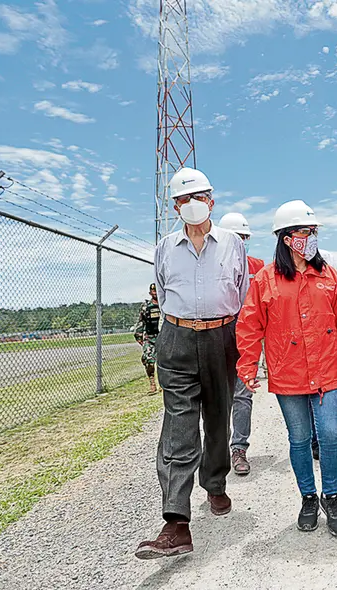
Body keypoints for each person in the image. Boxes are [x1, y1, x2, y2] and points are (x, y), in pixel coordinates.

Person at [136, 167, 248, 560]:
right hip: (178, 338)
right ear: (174, 207)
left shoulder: (233, 244)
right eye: (183, 200)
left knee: (218, 420)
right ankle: (176, 521)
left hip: (223, 338)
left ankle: (215, 484)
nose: (191, 204)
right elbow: (164, 292)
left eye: (198, 197)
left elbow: (242, 294)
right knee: (179, 425)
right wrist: (182, 327)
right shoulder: (165, 247)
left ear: (212, 201)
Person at [236, 200, 337, 537]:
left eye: (314, 231)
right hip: (288, 373)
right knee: (300, 438)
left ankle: (331, 496)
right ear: (287, 238)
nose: (312, 236)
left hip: (329, 370)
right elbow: (249, 325)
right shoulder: (266, 279)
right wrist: (247, 364)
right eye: (306, 231)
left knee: (330, 434)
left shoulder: (328, 274)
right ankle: (308, 497)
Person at [219, 212, 265, 476]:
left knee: (242, 394)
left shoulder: (258, 266)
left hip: (246, 338)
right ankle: (215, 449)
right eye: (238, 237)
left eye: (245, 237)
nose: (242, 242)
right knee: (216, 397)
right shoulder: (211, 265)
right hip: (217, 335)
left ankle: (238, 448)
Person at [133, 283, 161, 394]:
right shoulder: (145, 307)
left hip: (162, 337)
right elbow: (141, 322)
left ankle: (163, 384)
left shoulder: (165, 305)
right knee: (149, 361)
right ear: (150, 293)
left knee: (163, 362)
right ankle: (152, 383)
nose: (155, 293)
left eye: (157, 291)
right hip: (149, 338)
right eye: (153, 291)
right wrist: (139, 336)